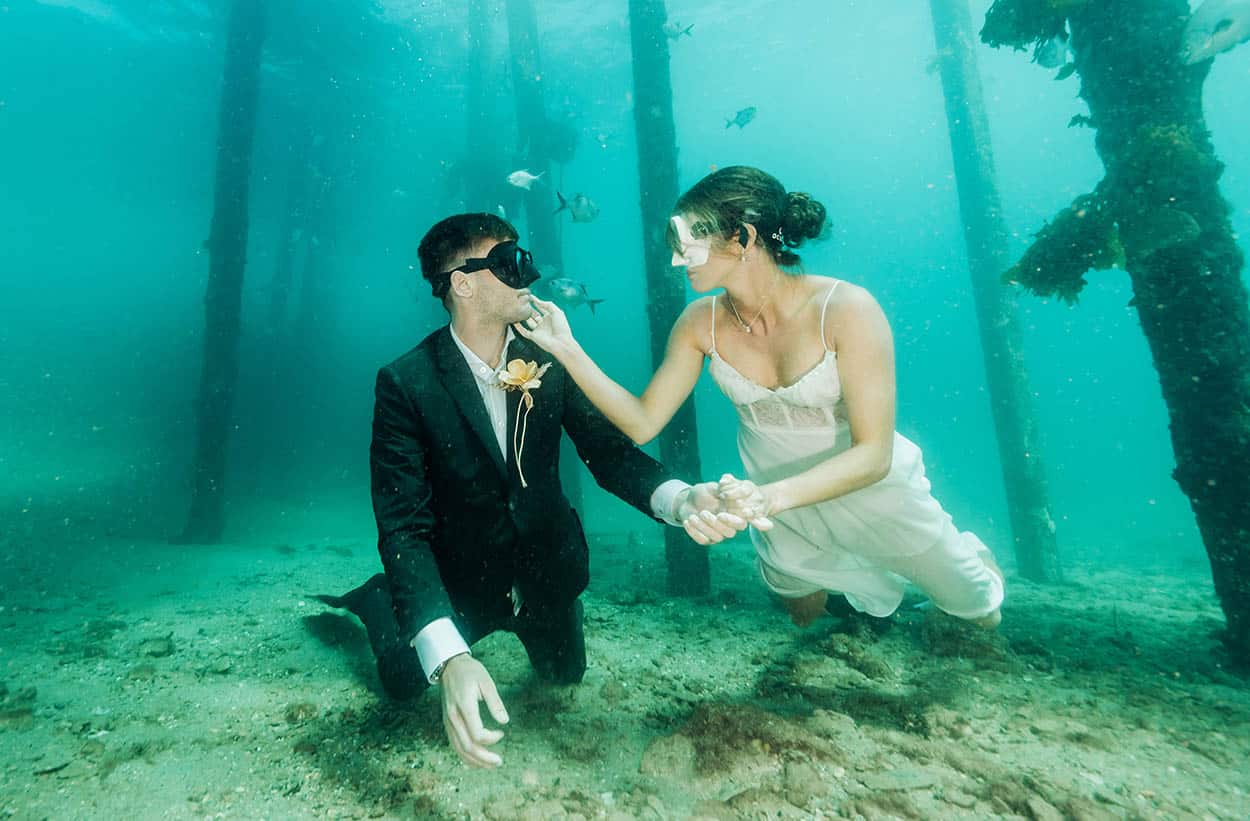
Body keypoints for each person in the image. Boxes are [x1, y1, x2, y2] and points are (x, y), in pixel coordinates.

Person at [316, 213, 750, 769]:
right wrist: (450, 659)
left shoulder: (548, 358)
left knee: (565, 676)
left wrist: (681, 498)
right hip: (459, 581)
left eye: (524, 258)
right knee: (405, 682)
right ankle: (380, 601)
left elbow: (611, 456)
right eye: (509, 262)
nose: (530, 273)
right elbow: (404, 524)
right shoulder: (406, 382)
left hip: (547, 572)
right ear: (463, 282)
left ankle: (525, 620)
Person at [516, 166, 1004, 633]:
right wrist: (566, 348)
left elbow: (874, 456)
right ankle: (862, 594)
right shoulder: (697, 322)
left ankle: (973, 560)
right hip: (773, 498)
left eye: (687, 244)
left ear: (744, 238)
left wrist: (770, 496)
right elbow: (643, 423)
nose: (674, 260)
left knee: (978, 611)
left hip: (862, 494)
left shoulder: (848, 309)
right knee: (801, 608)